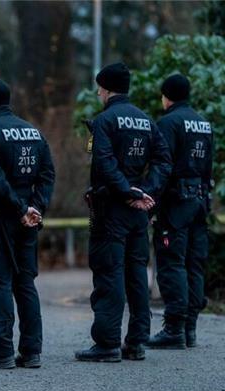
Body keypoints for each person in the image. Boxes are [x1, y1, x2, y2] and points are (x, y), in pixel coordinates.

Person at [75, 62, 172, 363]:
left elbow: (103, 163)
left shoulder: (104, 121)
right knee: (136, 276)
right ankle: (137, 342)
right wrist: (146, 193)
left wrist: (126, 192)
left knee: (109, 273)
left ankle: (106, 343)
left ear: (105, 89)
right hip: (138, 212)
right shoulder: (146, 120)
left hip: (112, 210)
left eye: (99, 89)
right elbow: (163, 160)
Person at [0, 79, 55, 370]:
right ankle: (31, 352)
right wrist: (36, 208)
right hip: (29, 220)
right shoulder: (34, 132)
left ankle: (0, 351)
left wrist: (19, 209)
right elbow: (47, 174)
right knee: (25, 283)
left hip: (0, 221)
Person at [146, 74, 214, 350]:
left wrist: (152, 202)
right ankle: (190, 329)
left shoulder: (168, 123)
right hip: (199, 201)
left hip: (175, 204)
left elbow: (162, 167)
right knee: (194, 264)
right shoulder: (204, 124)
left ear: (167, 96)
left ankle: (174, 329)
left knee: (171, 262)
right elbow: (209, 167)